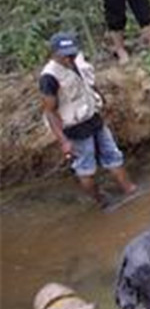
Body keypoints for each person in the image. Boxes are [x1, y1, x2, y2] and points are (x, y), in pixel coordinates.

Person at [40, 32, 137, 207]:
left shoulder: (77, 62)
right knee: (86, 168)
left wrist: (100, 98)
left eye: (72, 53)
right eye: (65, 55)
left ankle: (130, 190)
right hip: (74, 128)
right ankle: (101, 201)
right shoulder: (49, 77)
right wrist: (63, 141)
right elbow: (49, 111)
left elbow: (87, 83)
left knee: (113, 155)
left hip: (93, 118)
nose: (70, 58)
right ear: (54, 53)